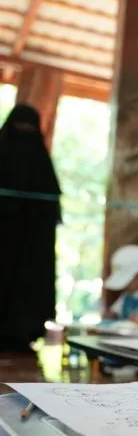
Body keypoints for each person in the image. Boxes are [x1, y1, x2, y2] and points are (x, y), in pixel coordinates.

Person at [0, 104, 61, 348]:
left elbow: (51, 211)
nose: (24, 134)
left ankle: (26, 330)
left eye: (29, 129)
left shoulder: (42, 169)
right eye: (20, 128)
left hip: (31, 248)